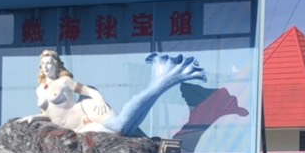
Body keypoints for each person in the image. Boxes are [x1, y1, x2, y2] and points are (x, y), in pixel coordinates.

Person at [31, 49, 208, 137]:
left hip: (86, 111)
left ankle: (167, 77)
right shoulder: (40, 89)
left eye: (49, 63)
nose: (46, 67)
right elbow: (49, 116)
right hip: (79, 128)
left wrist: (99, 99)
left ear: (56, 65)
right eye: (43, 64)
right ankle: (163, 78)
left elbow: (88, 90)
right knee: (122, 133)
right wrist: (32, 118)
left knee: (120, 126)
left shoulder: (64, 81)